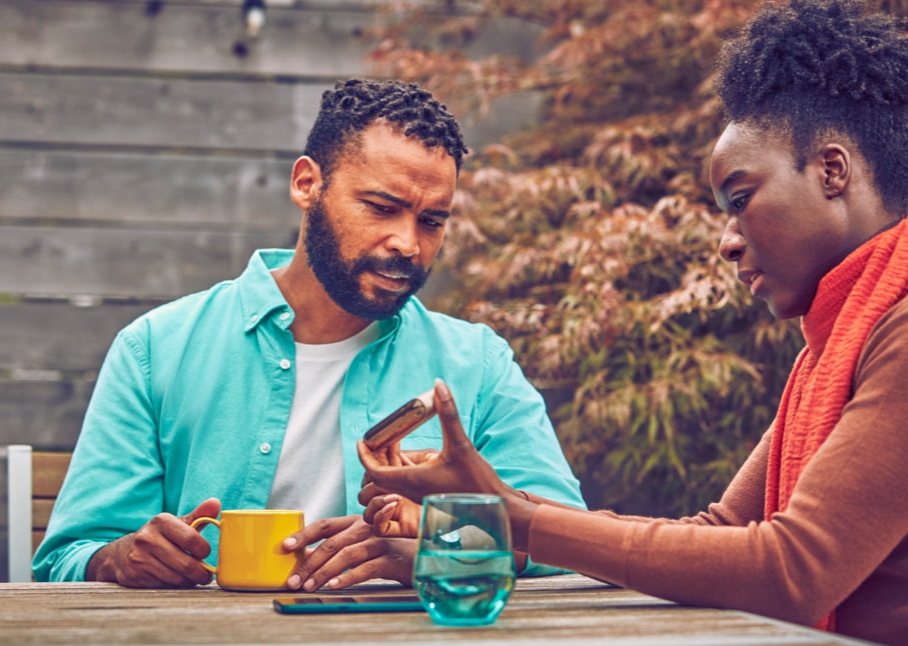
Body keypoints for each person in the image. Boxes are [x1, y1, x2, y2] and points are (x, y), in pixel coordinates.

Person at [357, 1, 908, 643]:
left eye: (740, 199)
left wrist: (511, 518)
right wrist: (488, 520)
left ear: (831, 172)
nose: (728, 241)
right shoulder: (837, 343)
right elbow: (719, 538)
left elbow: (790, 570)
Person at [33, 78, 586, 591]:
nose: (407, 243)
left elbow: (565, 542)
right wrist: (122, 557)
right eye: (381, 207)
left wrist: (429, 551)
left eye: (432, 221)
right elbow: (68, 557)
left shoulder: (477, 364)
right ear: (307, 184)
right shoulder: (156, 349)